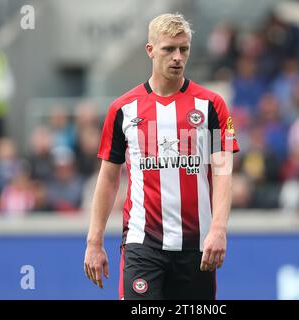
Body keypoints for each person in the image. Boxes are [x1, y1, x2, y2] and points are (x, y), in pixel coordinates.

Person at [83, 13, 239, 300]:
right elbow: (108, 177)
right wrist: (95, 241)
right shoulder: (123, 109)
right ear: (150, 50)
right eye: (169, 49)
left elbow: (223, 172)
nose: (177, 57)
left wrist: (218, 229)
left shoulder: (212, 105)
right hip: (143, 244)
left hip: (196, 246)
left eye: (184, 49)